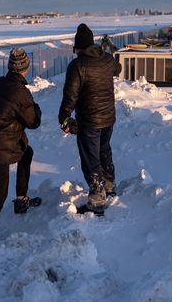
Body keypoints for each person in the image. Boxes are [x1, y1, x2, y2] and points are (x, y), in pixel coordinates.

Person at [0, 47, 42, 242]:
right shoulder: (21, 93)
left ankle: (21, 200)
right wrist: (36, 108)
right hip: (0, 147)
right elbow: (33, 122)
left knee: (27, 153)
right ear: (25, 68)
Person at [58, 24, 122, 215]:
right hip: (108, 118)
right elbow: (117, 68)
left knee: (91, 159)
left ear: (78, 47)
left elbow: (70, 95)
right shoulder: (107, 59)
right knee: (104, 151)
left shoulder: (77, 66)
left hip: (89, 121)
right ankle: (109, 186)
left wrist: (64, 117)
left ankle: (97, 201)